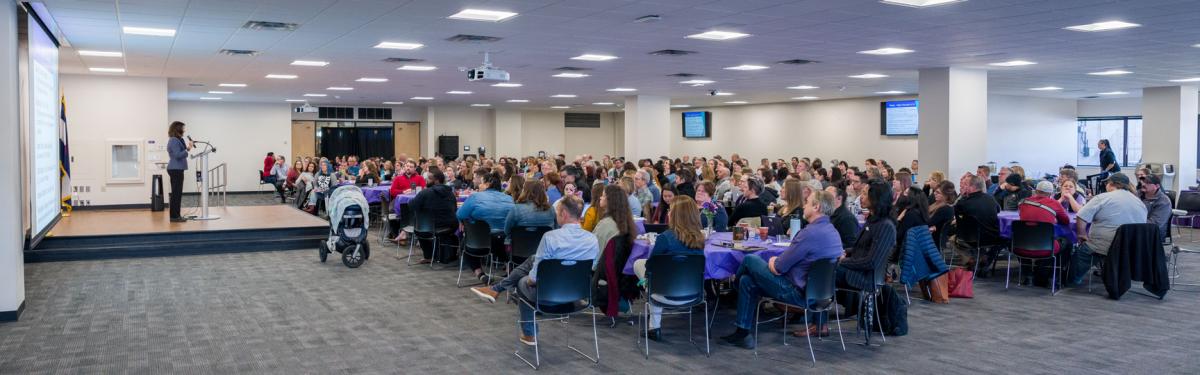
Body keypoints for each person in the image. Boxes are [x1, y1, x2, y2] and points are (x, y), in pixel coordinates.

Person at [720, 190, 845, 348]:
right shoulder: (833, 232)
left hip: (796, 292)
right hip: (821, 294)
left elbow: (779, 268)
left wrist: (772, 260)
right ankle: (742, 333)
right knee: (747, 280)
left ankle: (734, 290)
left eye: (807, 202)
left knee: (750, 259)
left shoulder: (809, 233)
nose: (804, 206)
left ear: (816, 207)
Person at [506, 195, 598, 346]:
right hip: (578, 296)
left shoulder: (550, 237)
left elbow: (533, 279)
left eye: (557, 211)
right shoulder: (592, 239)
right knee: (532, 262)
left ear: (564, 213)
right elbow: (591, 267)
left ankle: (529, 334)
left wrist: (529, 280)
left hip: (547, 296)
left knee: (522, 282)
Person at [631, 196, 706, 341]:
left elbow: (651, 266)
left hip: (664, 293)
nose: (668, 213)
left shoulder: (665, 238)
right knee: (652, 274)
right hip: (693, 293)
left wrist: (647, 277)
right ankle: (651, 295)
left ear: (676, 215)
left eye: (671, 210)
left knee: (642, 267)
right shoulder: (700, 239)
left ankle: (654, 327)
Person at [1068, 173, 1146, 286]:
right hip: (1130, 246)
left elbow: (1081, 216)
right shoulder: (1139, 202)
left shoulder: (1103, 197)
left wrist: (1081, 234)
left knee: (1082, 252)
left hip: (1104, 245)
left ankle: (1072, 280)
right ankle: (1111, 272)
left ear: (1111, 184)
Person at [834, 179, 897, 313]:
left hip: (866, 277)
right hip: (860, 270)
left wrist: (844, 261)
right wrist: (844, 251)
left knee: (823, 270)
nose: (861, 197)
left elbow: (871, 261)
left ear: (876, 197)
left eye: (865, 193)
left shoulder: (885, 226)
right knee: (822, 265)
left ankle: (817, 320)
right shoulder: (873, 220)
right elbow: (861, 247)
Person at [456, 171, 516, 283]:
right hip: (503, 242)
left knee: (466, 240)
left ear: (487, 184)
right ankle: (509, 270)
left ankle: (479, 273)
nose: (479, 185)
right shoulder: (509, 199)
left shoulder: (475, 197)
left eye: (481, 183)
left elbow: (460, 214)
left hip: (477, 242)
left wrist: (465, 221)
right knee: (500, 239)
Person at [950, 174, 1001, 270]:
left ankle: (970, 260)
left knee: (953, 238)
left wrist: (962, 196)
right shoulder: (991, 198)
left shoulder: (963, 202)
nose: (962, 186)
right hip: (993, 236)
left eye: (965, 184)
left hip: (971, 238)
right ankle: (982, 257)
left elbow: (956, 213)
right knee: (978, 234)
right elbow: (998, 211)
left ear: (972, 187)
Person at [408, 169, 458, 264]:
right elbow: (454, 209)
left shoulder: (425, 193)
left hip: (429, 228)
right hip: (449, 226)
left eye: (429, 178)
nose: (426, 180)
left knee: (419, 227)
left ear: (437, 180)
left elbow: (411, 206)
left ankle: (428, 256)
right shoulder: (450, 193)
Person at [593, 184, 639, 258]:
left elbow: (596, 250)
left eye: (603, 196)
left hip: (601, 266)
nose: (600, 198)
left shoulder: (605, 224)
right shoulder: (625, 222)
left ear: (610, 200)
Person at [892, 186, 929, 262]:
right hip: (916, 249)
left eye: (906, 193)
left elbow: (898, 235)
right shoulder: (921, 211)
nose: (903, 195)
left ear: (911, 197)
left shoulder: (911, 214)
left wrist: (898, 219)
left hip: (906, 251)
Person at [166, 121, 192, 222]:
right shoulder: (173, 140)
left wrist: (188, 146)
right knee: (176, 194)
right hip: (175, 169)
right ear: (178, 129)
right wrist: (188, 148)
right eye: (182, 128)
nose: (184, 130)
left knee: (177, 193)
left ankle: (176, 215)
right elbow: (177, 155)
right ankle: (174, 217)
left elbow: (182, 151)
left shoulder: (178, 139)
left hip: (178, 169)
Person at [1139, 175, 1172, 240]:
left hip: (1153, 234)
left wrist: (1134, 222)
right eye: (1143, 182)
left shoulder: (1164, 201)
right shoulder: (1137, 195)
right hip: (1137, 228)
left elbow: (1155, 224)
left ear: (1157, 186)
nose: (1143, 184)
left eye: (1148, 183)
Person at [927, 181, 956, 249]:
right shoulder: (938, 204)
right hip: (931, 236)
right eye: (935, 191)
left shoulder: (945, 209)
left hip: (934, 240)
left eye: (938, 192)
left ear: (946, 195)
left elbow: (928, 222)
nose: (934, 193)